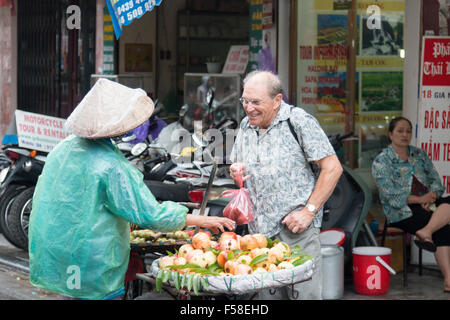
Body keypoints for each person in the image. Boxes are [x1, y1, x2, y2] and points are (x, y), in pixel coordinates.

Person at [28, 79, 235, 300]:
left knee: (71, 294)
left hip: (59, 251)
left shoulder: (63, 148)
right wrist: (202, 220)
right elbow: (150, 214)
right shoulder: (109, 165)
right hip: (92, 259)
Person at [229, 70, 343, 299]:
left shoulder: (298, 121)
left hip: (295, 232)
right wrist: (236, 171)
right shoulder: (245, 125)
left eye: (256, 102)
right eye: (245, 101)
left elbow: (332, 168)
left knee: (304, 295)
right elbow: (238, 164)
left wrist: (308, 212)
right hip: (259, 237)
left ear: (277, 100)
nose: (249, 108)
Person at [372, 116, 450, 293]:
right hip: (401, 211)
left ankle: (426, 231)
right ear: (390, 134)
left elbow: (436, 181)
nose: (405, 134)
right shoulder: (382, 161)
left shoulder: (418, 154)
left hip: (428, 203)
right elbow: (391, 196)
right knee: (444, 229)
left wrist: (431, 196)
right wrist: (420, 200)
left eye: (408, 131)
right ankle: (449, 280)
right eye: (400, 131)